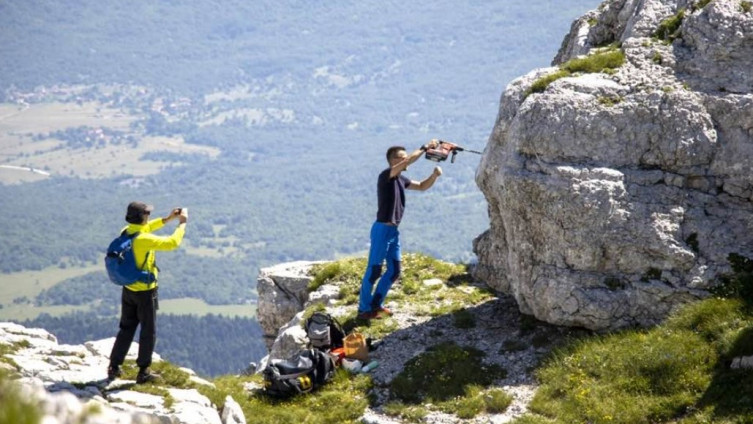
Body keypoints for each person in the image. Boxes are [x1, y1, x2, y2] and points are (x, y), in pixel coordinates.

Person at [358, 140, 443, 320]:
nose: (406, 161)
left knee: (394, 270)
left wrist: (434, 175)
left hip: (393, 232)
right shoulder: (386, 176)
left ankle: (376, 305)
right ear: (393, 161)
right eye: (402, 158)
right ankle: (364, 309)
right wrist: (424, 148)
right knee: (374, 270)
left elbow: (421, 186)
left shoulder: (401, 180)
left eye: (405, 157)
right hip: (381, 229)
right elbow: (408, 163)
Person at [107, 201, 187, 383]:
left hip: (128, 289)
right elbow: (172, 242)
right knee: (148, 331)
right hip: (146, 292)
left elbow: (147, 228)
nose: (149, 216)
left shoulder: (126, 232)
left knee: (126, 328)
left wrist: (167, 219)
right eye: (147, 214)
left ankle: (114, 366)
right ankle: (143, 371)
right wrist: (182, 223)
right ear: (143, 216)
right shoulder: (143, 240)